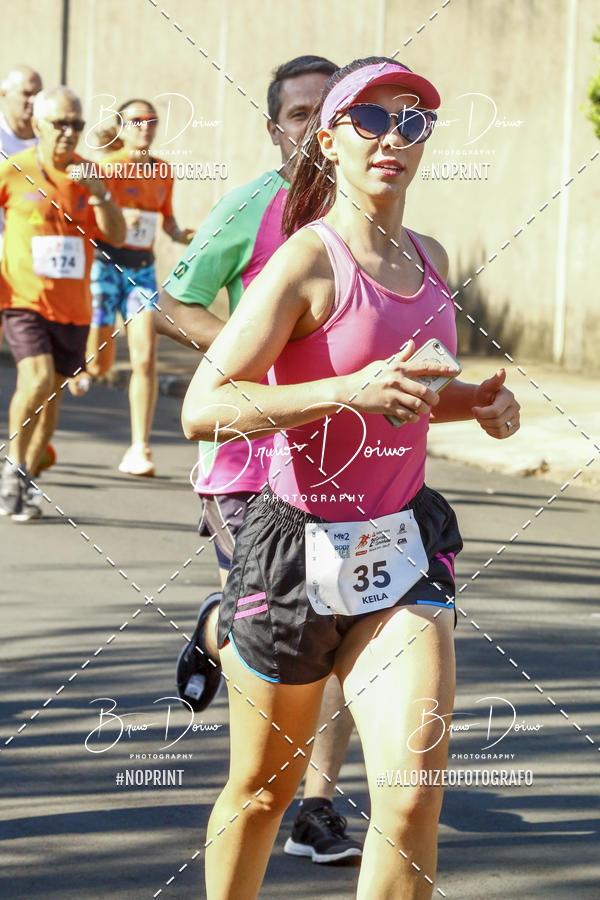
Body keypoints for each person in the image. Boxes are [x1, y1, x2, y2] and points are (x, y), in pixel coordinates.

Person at [181, 57, 521, 899]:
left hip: (401, 543)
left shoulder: (433, 260)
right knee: (264, 793)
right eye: (368, 119)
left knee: (409, 805)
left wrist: (469, 403)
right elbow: (203, 406)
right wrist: (344, 390)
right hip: (293, 549)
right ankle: (231, 621)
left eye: (411, 122)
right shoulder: (306, 260)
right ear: (328, 141)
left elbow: (409, 399)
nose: (391, 139)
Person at [156, 55, 363, 864]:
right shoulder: (252, 205)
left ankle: (316, 806)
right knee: (277, 629)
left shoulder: (366, 220)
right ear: (274, 125)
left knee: (340, 621)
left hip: (341, 463)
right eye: (298, 113)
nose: (313, 127)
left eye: (329, 110)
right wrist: (251, 355)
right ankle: (219, 633)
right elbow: (173, 301)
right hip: (244, 464)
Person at [0, 86, 125, 521]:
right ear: (37, 125)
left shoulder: (89, 174)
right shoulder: (13, 170)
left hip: (72, 308)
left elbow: (117, 234)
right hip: (23, 299)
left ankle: (28, 476)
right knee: (33, 379)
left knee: (50, 401)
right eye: (60, 124)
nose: (69, 133)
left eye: (77, 123)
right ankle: (13, 464)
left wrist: (99, 194)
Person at [85, 99, 195, 477]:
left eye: (152, 121)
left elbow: (167, 222)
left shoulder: (163, 171)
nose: (145, 127)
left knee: (145, 357)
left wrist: (185, 236)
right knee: (98, 361)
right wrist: (115, 216)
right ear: (120, 127)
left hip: (142, 273)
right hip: (105, 264)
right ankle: (78, 368)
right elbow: (85, 221)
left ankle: (140, 447)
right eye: (136, 121)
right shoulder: (105, 168)